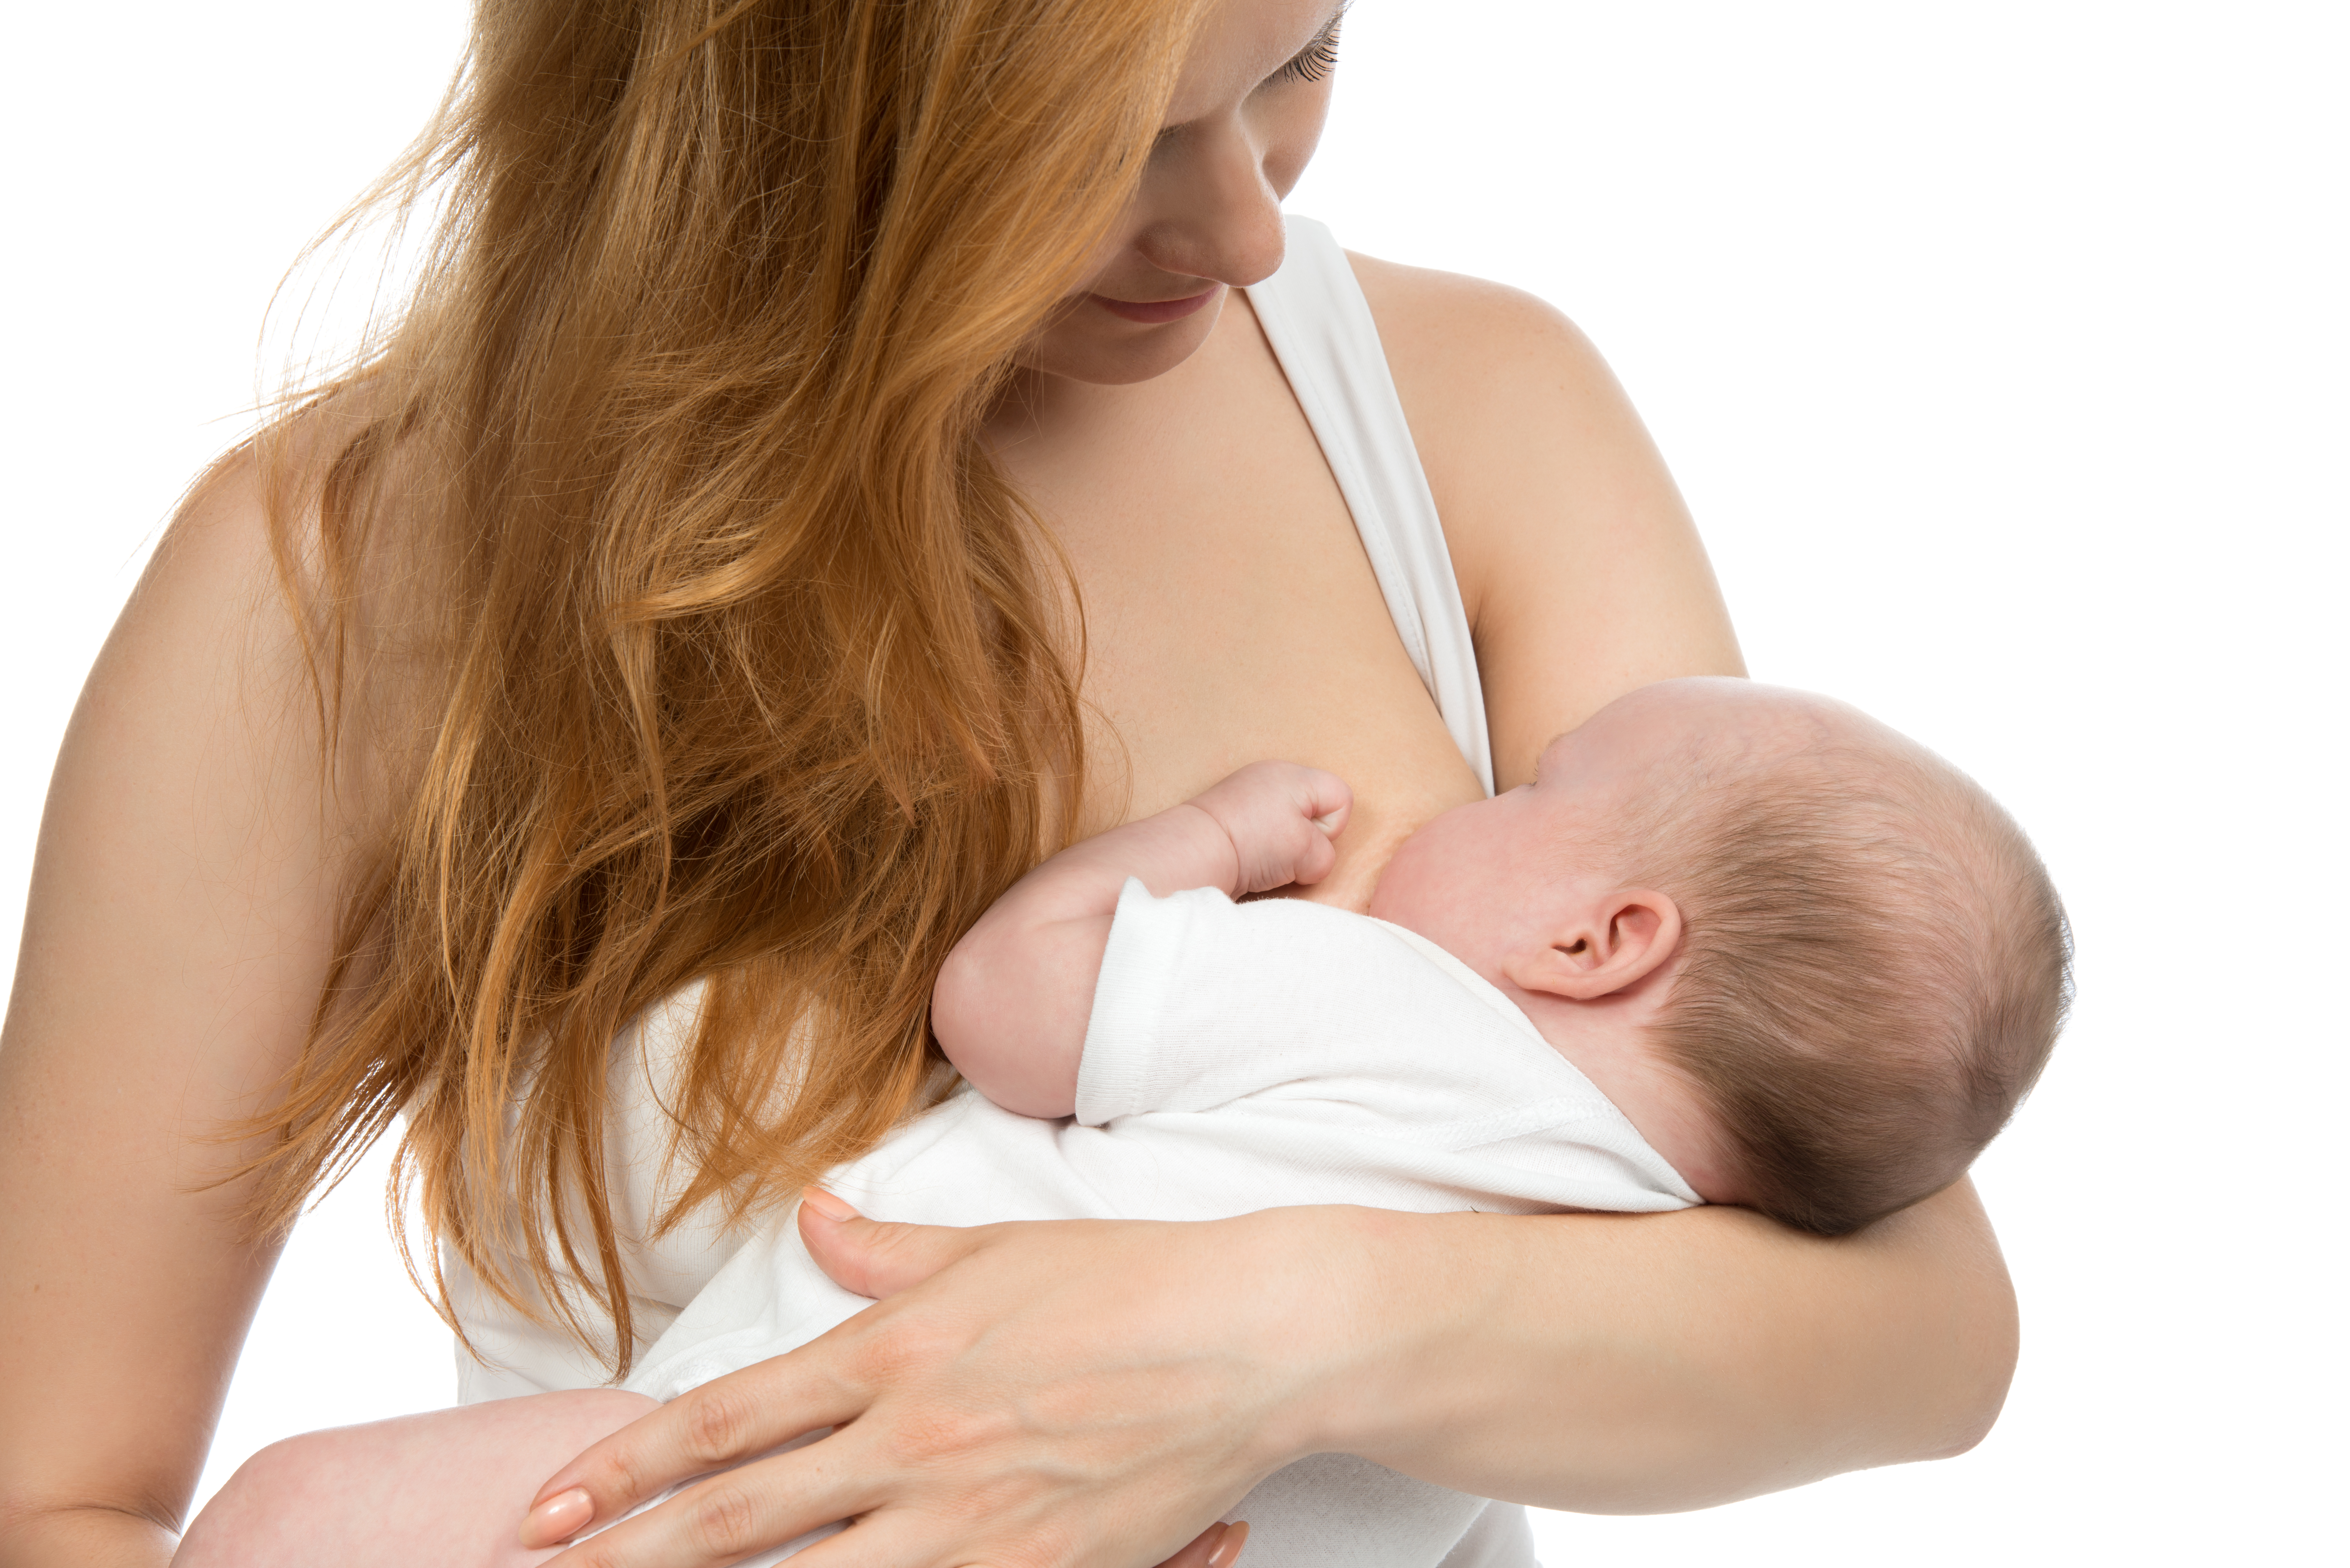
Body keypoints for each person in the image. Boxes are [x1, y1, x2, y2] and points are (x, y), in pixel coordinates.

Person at [0, 2, 2025, 1565]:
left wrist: (1259, 1340)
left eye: (1302, 58)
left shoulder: (1474, 414)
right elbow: (50, 1499)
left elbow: (1923, 1323)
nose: (1246, 226)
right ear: (777, 79)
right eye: (1109, 138)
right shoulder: (346, 585)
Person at [171, 678, 2069, 1567]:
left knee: (292, 1522)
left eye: (1533, 787)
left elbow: (1011, 1015)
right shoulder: (1651, 1278)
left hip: (761, 1466)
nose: (1470, 805)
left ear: (1599, 935)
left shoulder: (1393, 1006)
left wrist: (1218, 846)